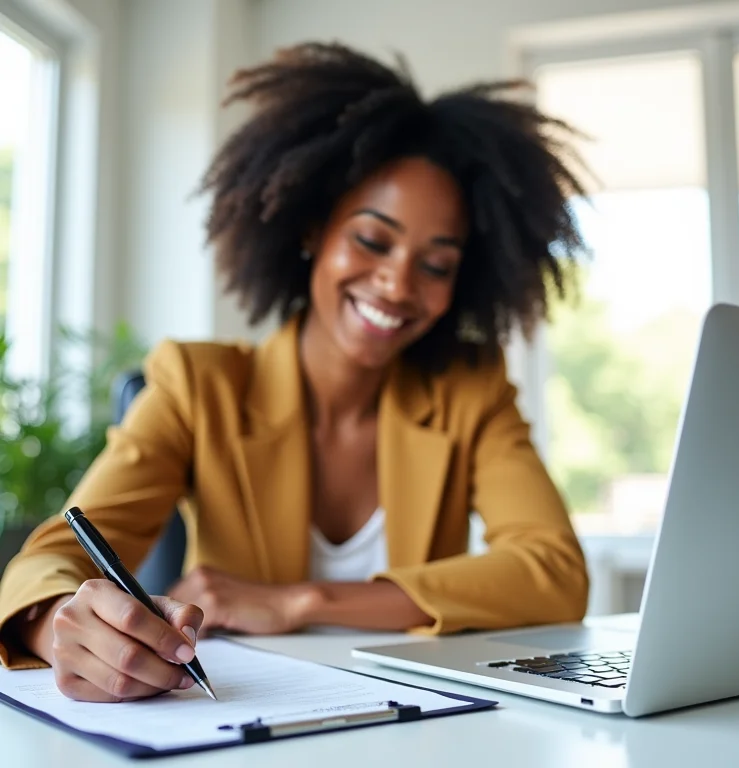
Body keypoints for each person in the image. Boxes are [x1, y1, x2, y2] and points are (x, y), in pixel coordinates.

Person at [0, 42, 590, 702]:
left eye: (436, 264)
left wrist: (300, 600)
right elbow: (51, 560)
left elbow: (555, 572)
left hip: (415, 727)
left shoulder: (469, 388)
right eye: (372, 239)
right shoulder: (202, 386)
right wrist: (62, 626)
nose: (398, 284)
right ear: (314, 231)